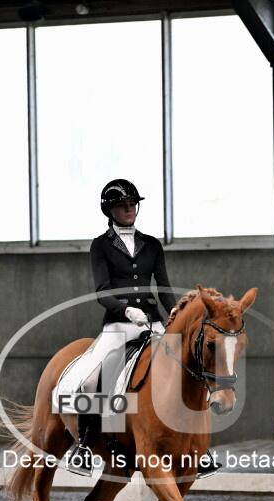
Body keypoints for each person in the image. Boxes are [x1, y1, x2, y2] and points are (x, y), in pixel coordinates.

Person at [66, 178, 221, 478]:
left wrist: (175, 312)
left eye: (132, 205)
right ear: (110, 210)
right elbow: (102, 291)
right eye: (123, 206)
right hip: (119, 323)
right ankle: (84, 446)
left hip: (153, 321)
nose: (129, 210)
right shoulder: (100, 245)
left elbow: (163, 286)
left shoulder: (152, 244)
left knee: (189, 368)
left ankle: (198, 448)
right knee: (92, 380)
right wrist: (125, 308)